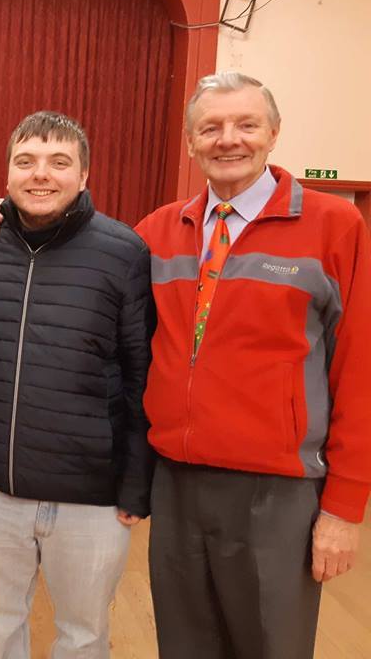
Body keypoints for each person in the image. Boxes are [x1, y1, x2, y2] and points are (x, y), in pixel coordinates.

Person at [134, 71, 371, 659]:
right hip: (177, 484)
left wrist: (343, 507)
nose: (228, 139)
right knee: (184, 648)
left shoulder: (334, 226)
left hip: (279, 494)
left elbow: (360, 372)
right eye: (210, 128)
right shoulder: (158, 233)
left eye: (246, 124)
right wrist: (6, 217)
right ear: (191, 143)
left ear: (273, 133)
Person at [0, 111, 154, 658]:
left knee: (84, 634)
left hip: (92, 500)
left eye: (58, 162)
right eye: (25, 162)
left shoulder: (123, 252)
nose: (40, 174)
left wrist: (136, 482)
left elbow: (143, 374)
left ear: (85, 174)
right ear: (6, 177)